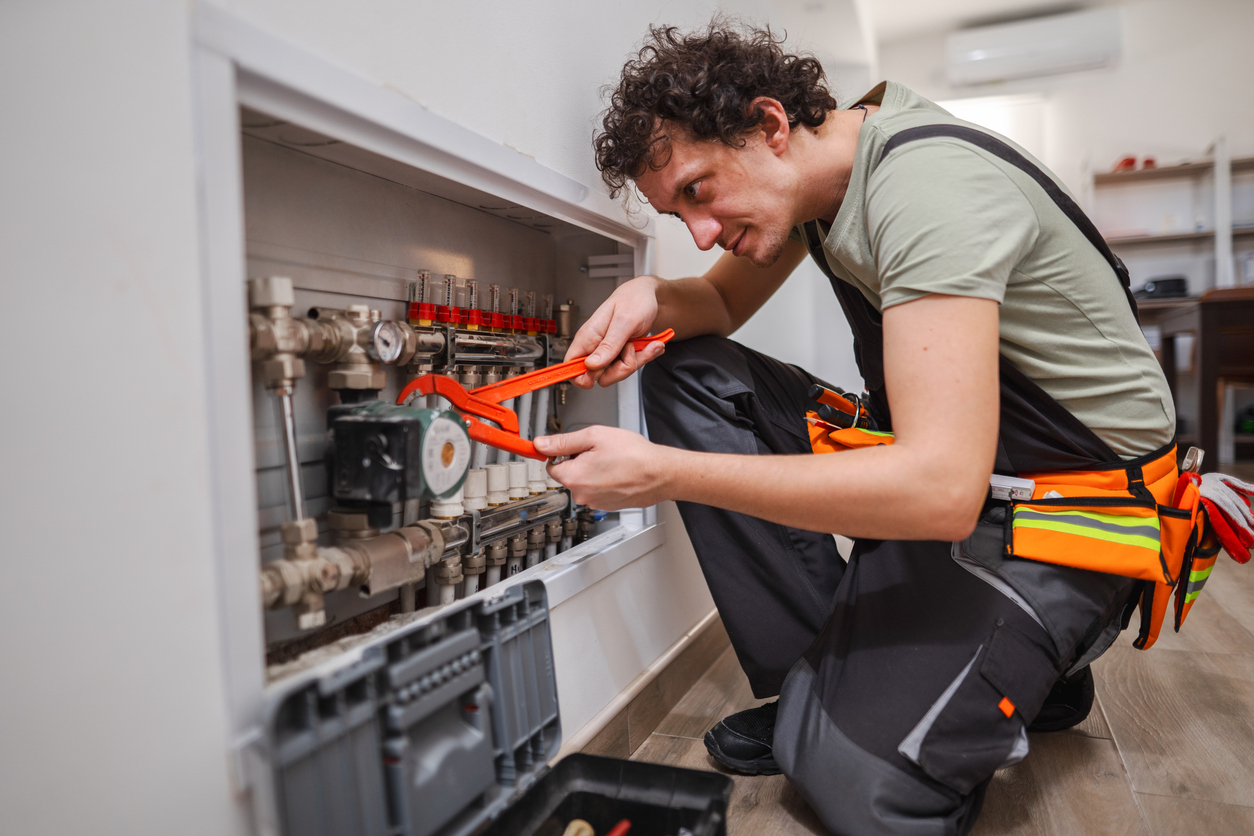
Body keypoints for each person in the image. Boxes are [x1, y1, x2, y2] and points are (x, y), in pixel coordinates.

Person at [532, 22, 1177, 835]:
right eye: (675, 212)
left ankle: (1036, 655)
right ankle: (823, 677)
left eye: (698, 191)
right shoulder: (829, 170)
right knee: (687, 369)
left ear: (770, 126)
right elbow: (723, 303)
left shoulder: (923, 184)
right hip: (974, 478)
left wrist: (664, 472)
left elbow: (939, 490)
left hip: (1069, 517)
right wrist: (655, 297)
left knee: (867, 788)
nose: (696, 232)